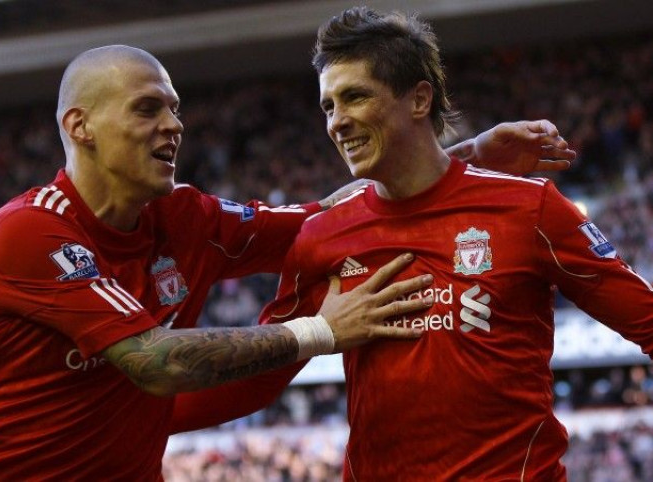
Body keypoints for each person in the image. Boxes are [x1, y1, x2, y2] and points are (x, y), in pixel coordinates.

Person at [0, 44, 573, 480]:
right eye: (147, 108)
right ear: (80, 127)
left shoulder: (186, 218)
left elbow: (325, 221)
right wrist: (322, 331)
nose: (173, 125)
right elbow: (155, 362)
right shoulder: (30, 232)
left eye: (175, 108)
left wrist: (464, 158)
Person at [168, 7, 653, 481]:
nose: (337, 122)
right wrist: (130, 421)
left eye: (355, 97)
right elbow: (257, 378)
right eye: (328, 106)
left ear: (419, 99)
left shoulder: (529, 208)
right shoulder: (323, 236)